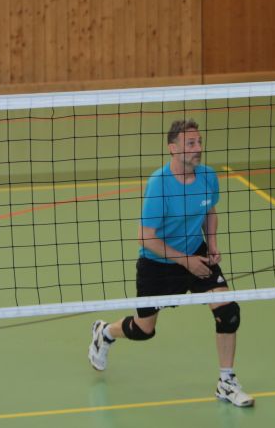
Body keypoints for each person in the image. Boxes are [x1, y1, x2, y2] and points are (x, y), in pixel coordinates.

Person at [87, 119, 253, 407]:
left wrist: (212, 243)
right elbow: (145, 237)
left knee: (229, 312)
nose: (198, 148)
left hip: (196, 253)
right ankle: (105, 332)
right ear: (173, 148)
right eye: (190, 144)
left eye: (199, 142)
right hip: (158, 263)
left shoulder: (208, 176)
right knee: (144, 330)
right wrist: (186, 262)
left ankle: (226, 381)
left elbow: (210, 211)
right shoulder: (159, 185)